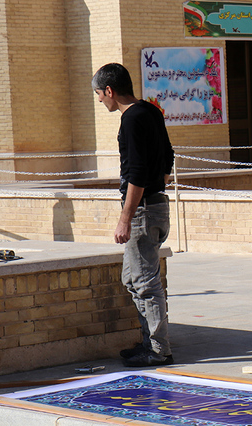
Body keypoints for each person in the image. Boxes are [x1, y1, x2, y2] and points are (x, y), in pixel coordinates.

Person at [92, 63, 174, 367]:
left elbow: (136, 173)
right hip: (155, 205)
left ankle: (158, 350)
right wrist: (156, 186)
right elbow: (167, 156)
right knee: (132, 278)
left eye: (99, 94)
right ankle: (148, 343)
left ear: (110, 90)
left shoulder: (131, 119)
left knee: (144, 283)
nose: (100, 100)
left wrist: (126, 218)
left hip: (144, 211)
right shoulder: (151, 111)